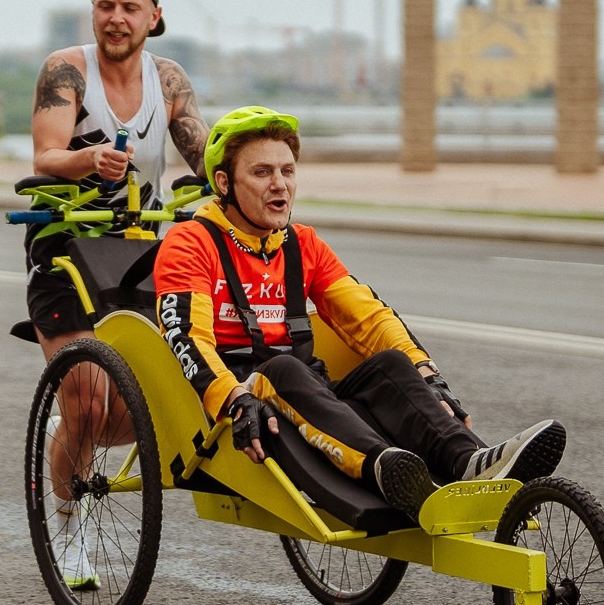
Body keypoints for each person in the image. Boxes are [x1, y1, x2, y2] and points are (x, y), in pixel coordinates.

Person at [154, 106, 564, 529]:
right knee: (282, 368)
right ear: (224, 182)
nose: (280, 185)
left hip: (305, 387)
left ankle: (473, 462)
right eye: (261, 173)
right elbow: (186, 337)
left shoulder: (302, 244)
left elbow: (367, 316)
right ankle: (387, 470)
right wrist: (232, 398)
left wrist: (428, 373)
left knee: (389, 365)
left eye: (287, 171)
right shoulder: (190, 243)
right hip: (239, 393)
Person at [23, 0, 207, 585]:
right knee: (86, 397)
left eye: (129, 7)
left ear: (154, 18)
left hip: (139, 249)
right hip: (66, 246)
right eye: (105, 6)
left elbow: (202, 153)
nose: (116, 18)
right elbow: (46, 154)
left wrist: (242, 179)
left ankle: (72, 432)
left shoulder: (169, 79)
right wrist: (85, 158)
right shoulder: (66, 70)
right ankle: (69, 529)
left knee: (139, 406)